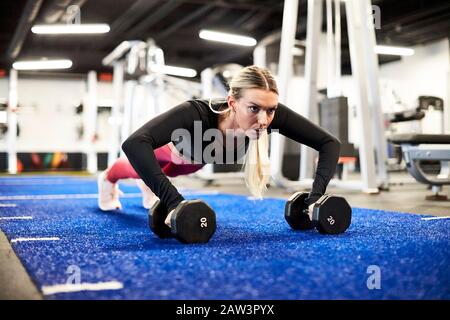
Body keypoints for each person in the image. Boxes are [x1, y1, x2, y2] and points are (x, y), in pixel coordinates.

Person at [98, 65, 340, 225]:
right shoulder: (196, 113)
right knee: (139, 166)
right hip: (173, 150)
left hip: (195, 161)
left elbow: (329, 143)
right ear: (232, 102)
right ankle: (108, 178)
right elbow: (134, 143)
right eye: (254, 108)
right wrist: (173, 201)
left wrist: (314, 199)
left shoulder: (271, 116)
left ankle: (148, 183)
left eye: (271, 110)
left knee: (169, 171)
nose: (264, 120)